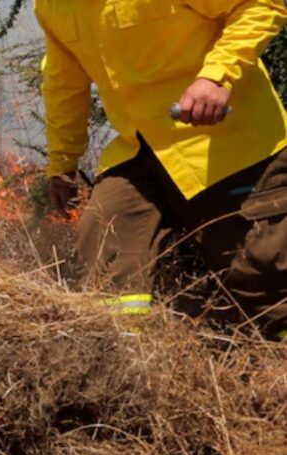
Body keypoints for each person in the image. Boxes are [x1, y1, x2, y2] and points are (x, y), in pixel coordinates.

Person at [35, 0, 287, 339]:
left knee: (261, 289)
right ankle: (128, 367)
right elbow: (64, 82)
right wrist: (63, 162)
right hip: (138, 150)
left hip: (233, 148)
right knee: (104, 238)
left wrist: (217, 76)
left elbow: (261, 4)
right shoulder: (53, 6)